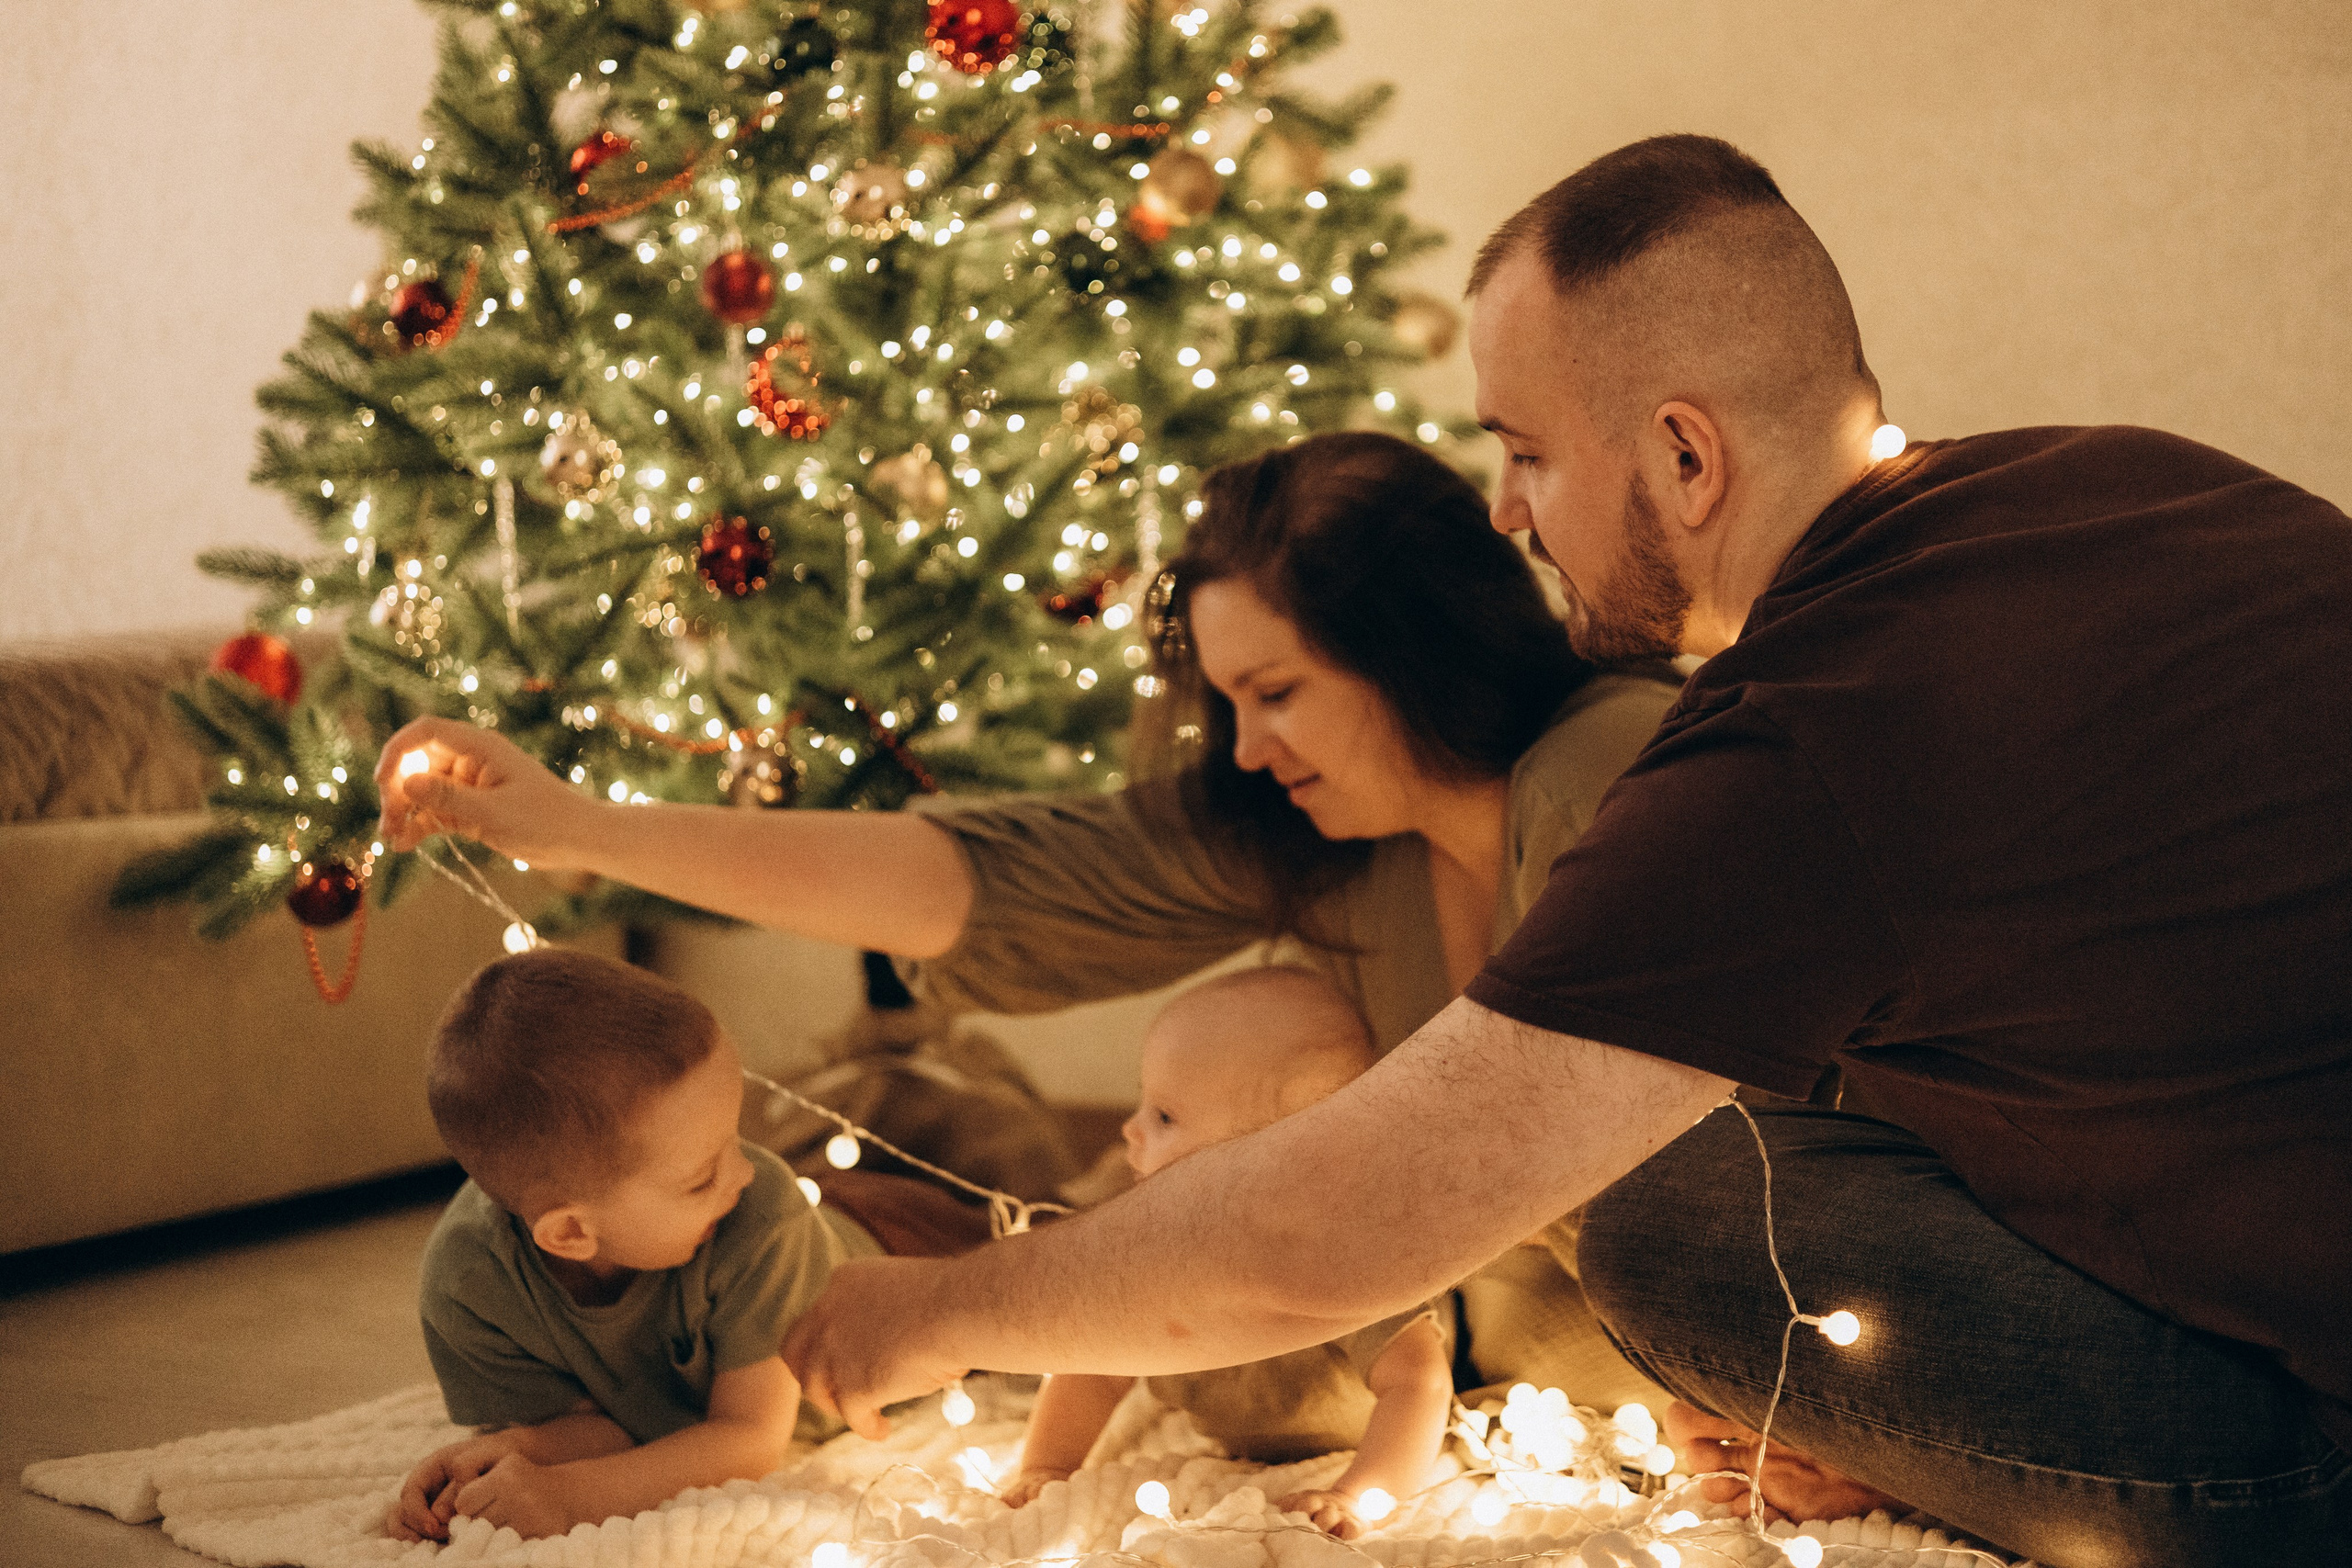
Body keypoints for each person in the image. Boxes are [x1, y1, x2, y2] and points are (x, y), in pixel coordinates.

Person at [772, 135, 2352, 1568]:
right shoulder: (2110, 477)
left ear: (1683, 457)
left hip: (2315, 1426)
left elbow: (1347, 1228)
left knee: (1671, 1227)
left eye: (1525, 452)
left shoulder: (1796, 736)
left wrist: (945, 1306)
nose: (1509, 515)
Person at [373, 430, 1688, 1412]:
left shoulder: (1608, 768)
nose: (1248, 744)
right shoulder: (1329, 835)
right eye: (1228, 699)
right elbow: (992, 878)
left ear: (1411, 647)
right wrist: (581, 826)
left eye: (1276, 690)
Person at [388, 948, 988, 1543]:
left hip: (894, 1241)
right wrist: (514, 1449)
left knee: (1022, 1249)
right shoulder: (468, 1284)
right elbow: (606, 1429)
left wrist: (572, 1497)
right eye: (702, 1175)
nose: (743, 1172)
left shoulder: (762, 1211)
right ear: (569, 1232)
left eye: (734, 1140)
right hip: (818, 1220)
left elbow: (751, 1439)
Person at [1006, 966, 1453, 1540]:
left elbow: (1419, 1385)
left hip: (1351, 1434)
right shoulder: (1151, 1257)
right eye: (1143, 1104)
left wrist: (1356, 1496)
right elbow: (1088, 1369)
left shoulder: (1343, 1264)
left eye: (1164, 1116)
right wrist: (1048, 1468)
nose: (1129, 1129)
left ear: (1279, 1158)